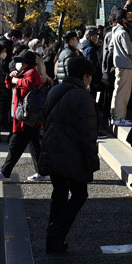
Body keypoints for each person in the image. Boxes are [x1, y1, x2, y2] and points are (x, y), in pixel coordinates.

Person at [38, 56, 100, 253]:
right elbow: (88, 133)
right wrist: (92, 160)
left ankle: (53, 242)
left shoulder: (55, 90)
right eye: (89, 76)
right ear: (85, 76)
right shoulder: (83, 97)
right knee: (80, 194)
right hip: (73, 154)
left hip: (52, 149)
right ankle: (57, 229)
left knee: (59, 194)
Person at [0, 51, 49, 181]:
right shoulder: (23, 73)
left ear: (26, 63)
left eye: (21, 62)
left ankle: (5, 172)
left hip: (27, 117)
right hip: (27, 117)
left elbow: (28, 83)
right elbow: (9, 85)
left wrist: (16, 80)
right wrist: (10, 77)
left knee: (15, 145)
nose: (18, 64)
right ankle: (42, 172)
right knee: (35, 146)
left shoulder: (32, 72)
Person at [106, 10, 132, 127]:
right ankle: (119, 118)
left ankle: (115, 116)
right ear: (123, 19)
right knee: (123, 94)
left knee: (118, 92)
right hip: (125, 66)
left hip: (119, 65)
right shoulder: (123, 33)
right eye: (127, 17)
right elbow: (129, 50)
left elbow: (111, 48)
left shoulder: (115, 31)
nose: (130, 19)